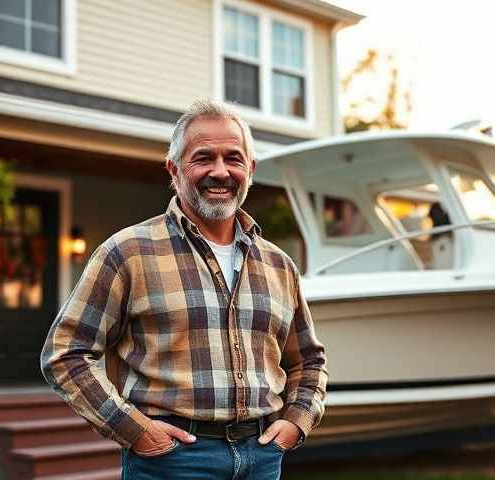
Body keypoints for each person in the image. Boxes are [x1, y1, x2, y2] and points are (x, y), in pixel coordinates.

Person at [40, 100, 328, 480]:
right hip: (171, 461)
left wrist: (297, 421)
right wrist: (136, 431)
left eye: (234, 158)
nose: (220, 171)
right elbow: (66, 353)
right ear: (174, 170)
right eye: (204, 158)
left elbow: (309, 362)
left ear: (250, 170)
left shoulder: (279, 265)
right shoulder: (127, 252)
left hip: (263, 457)